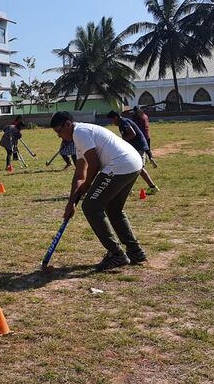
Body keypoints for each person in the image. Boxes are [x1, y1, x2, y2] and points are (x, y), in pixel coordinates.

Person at [50, 111, 148, 271]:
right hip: (133, 164)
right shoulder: (80, 136)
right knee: (113, 209)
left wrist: (88, 185)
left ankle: (116, 254)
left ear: (68, 124)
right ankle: (135, 252)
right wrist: (71, 202)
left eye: (59, 131)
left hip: (120, 164)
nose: (59, 136)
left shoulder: (80, 132)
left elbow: (94, 164)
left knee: (90, 207)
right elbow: (79, 175)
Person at [107, 111, 160, 195]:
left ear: (115, 118)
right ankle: (151, 187)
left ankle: (148, 188)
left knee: (136, 168)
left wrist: (123, 141)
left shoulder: (124, 122)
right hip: (136, 147)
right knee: (137, 168)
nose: (112, 123)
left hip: (139, 147)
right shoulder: (122, 122)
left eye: (111, 120)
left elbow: (132, 134)